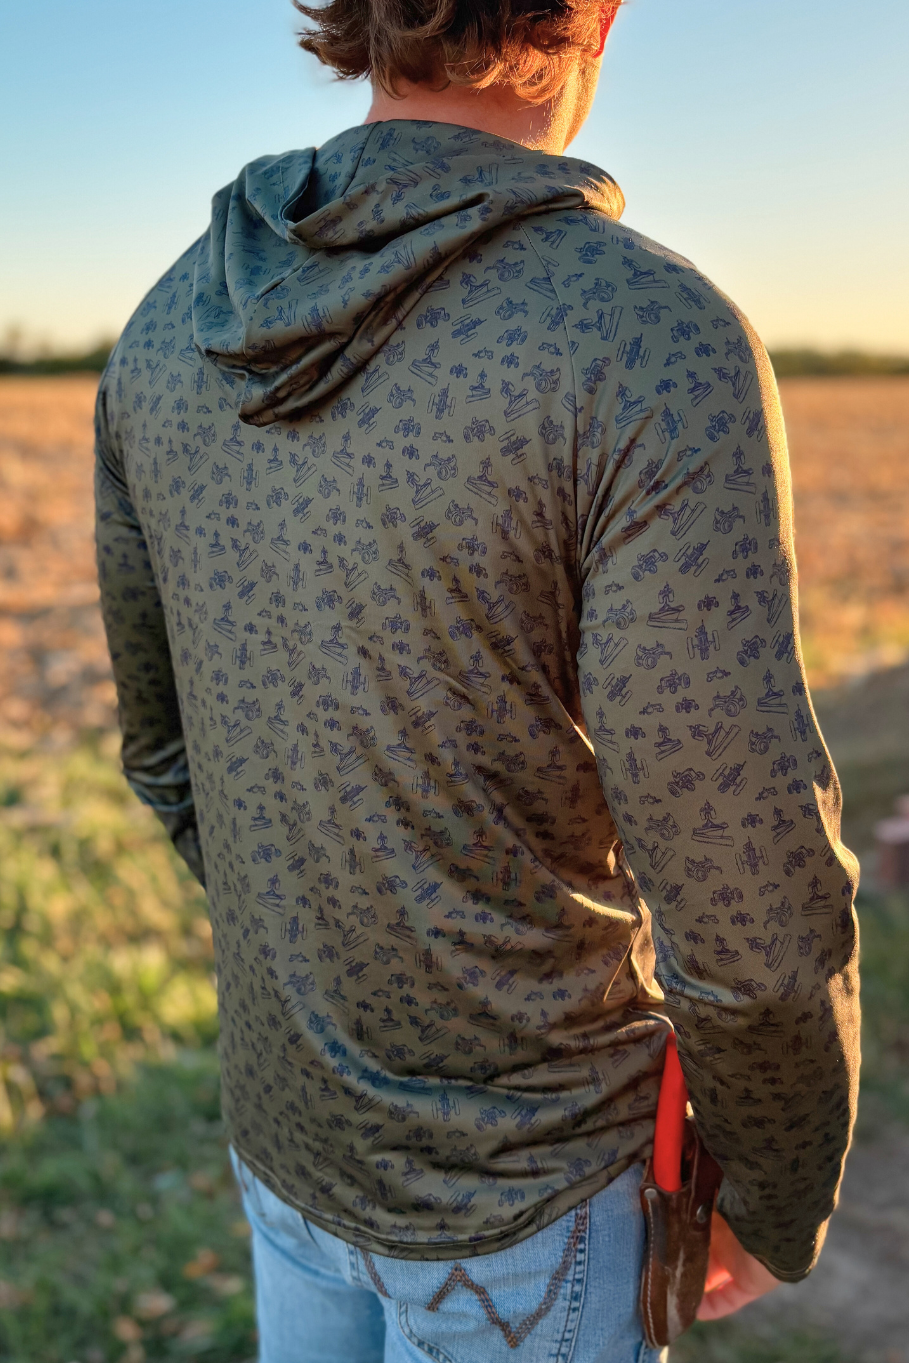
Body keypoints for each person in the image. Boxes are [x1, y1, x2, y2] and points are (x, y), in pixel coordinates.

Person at [94, 1, 861, 1358]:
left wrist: (329, 975)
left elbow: (164, 759)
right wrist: (774, 1187)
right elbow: (749, 918)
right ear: (600, 15)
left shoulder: (165, 330)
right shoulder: (645, 338)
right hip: (540, 1192)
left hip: (284, 1134)